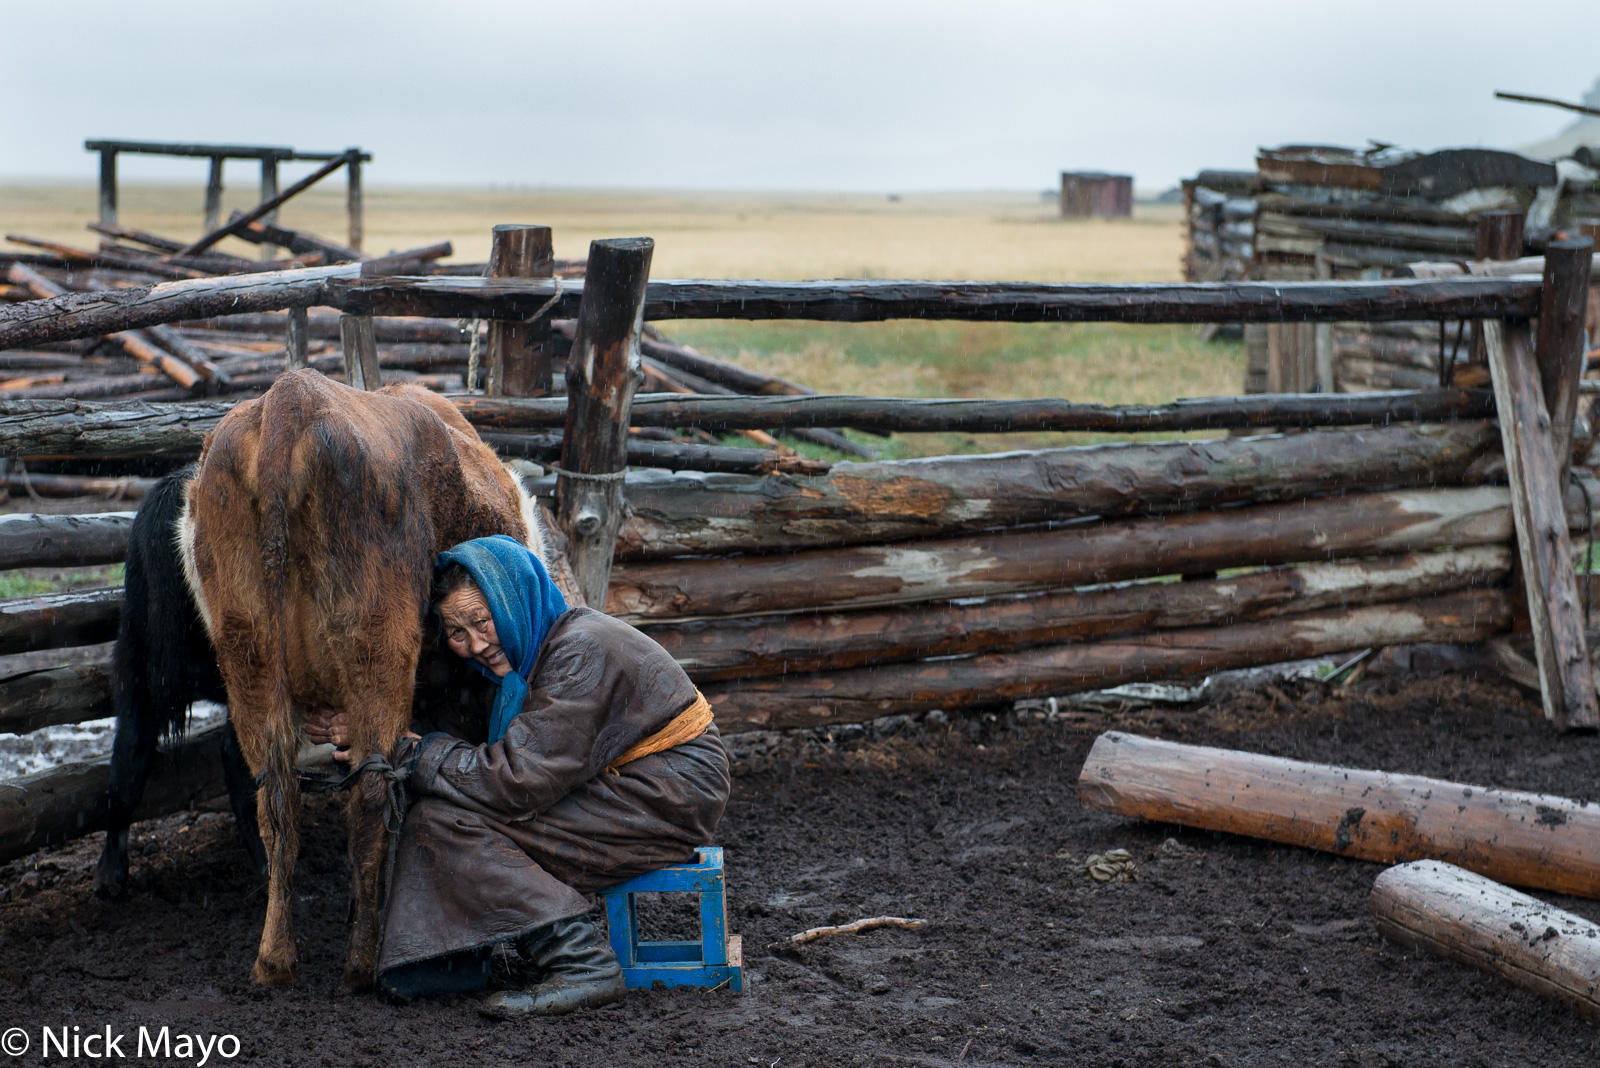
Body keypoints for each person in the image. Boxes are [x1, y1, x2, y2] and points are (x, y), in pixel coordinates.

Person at [304, 534, 730, 1016]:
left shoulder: (578, 653)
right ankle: (468, 957)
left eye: (483, 621)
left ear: (515, 599)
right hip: (643, 788)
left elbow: (516, 781)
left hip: (665, 796)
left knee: (448, 823)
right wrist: (374, 732)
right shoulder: (537, 653)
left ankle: (583, 962)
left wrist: (400, 750)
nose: (476, 644)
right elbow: (481, 752)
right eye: (457, 633)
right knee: (446, 809)